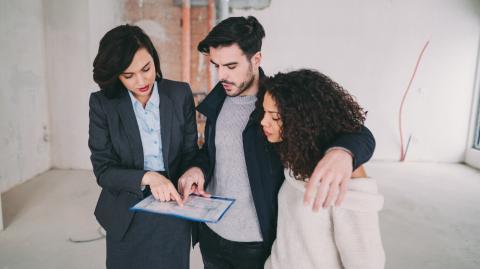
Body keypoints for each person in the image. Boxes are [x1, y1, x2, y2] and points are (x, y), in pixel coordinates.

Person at [178, 16, 376, 268]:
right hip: (212, 236)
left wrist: (343, 152)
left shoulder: (278, 101)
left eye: (231, 66)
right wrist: (197, 168)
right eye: (216, 65)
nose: (221, 75)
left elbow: (359, 134)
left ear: (256, 59)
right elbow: (210, 152)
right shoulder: (217, 101)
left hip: (257, 244)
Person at [88, 24, 198, 269]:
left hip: (174, 206)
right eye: (128, 76)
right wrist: (149, 177)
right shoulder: (103, 104)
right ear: (116, 75)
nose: (141, 80)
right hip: (126, 210)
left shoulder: (179, 94)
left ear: (154, 60)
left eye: (146, 68)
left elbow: (191, 153)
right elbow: (103, 170)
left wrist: (193, 171)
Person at [261, 69, 385, 269]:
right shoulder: (296, 158)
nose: (263, 122)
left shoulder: (343, 177)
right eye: (264, 112)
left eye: (274, 116)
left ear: (302, 119)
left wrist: (345, 152)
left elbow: (366, 262)